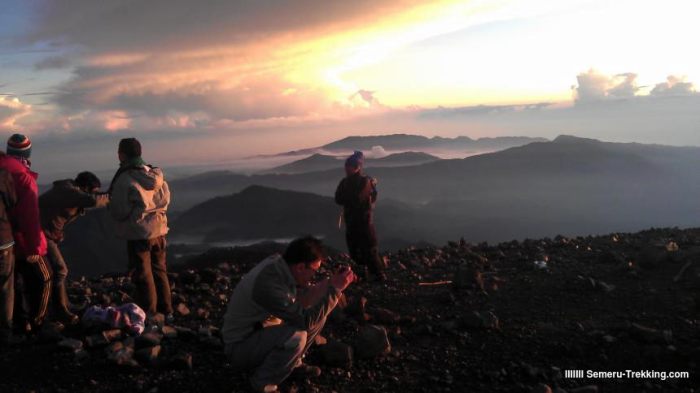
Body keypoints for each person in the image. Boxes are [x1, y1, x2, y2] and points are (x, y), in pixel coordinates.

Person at [222, 236, 355, 393]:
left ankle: (291, 363)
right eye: (314, 270)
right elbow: (305, 321)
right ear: (300, 267)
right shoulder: (268, 284)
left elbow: (303, 299)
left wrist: (331, 283)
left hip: (260, 333)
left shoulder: (281, 268)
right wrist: (335, 290)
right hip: (240, 347)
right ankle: (263, 383)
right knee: (297, 335)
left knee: (320, 316)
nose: (315, 275)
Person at [108, 138, 172, 319]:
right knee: (160, 269)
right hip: (159, 230)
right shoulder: (155, 174)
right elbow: (165, 199)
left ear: (122, 154)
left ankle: (149, 313)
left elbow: (120, 211)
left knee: (144, 274)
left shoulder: (125, 178)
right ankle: (167, 310)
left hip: (139, 233)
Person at [39, 171, 109, 324]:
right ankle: (60, 310)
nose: (95, 194)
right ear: (85, 187)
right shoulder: (68, 191)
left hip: (46, 233)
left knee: (58, 271)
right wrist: (113, 196)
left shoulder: (69, 190)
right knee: (60, 270)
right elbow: (92, 201)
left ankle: (65, 304)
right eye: (94, 191)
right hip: (39, 233)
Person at [0, 134, 51, 333]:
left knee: (15, 283)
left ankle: (21, 322)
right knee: (45, 277)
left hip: (7, 238)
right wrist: (35, 248)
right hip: (16, 240)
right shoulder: (23, 177)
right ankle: (37, 322)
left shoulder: (4, 169)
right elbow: (29, 218)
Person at [334, 151, 386, 281]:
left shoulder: (358, 182)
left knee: (365, 248)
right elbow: (340, 199)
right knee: (361, 248)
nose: (346, 169)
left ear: (357, 167)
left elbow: (345, 199)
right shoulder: (362, 181)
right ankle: (374, 271)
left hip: (359, 220)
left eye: (348, 167)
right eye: (346, 167)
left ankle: (376, 273)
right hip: (359, 220)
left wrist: (348, 199)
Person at [0, 164, 17, 344]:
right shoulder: (3, 174)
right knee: (5, 286)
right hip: (2, 239)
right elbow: (12, 201)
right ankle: (6, 333)